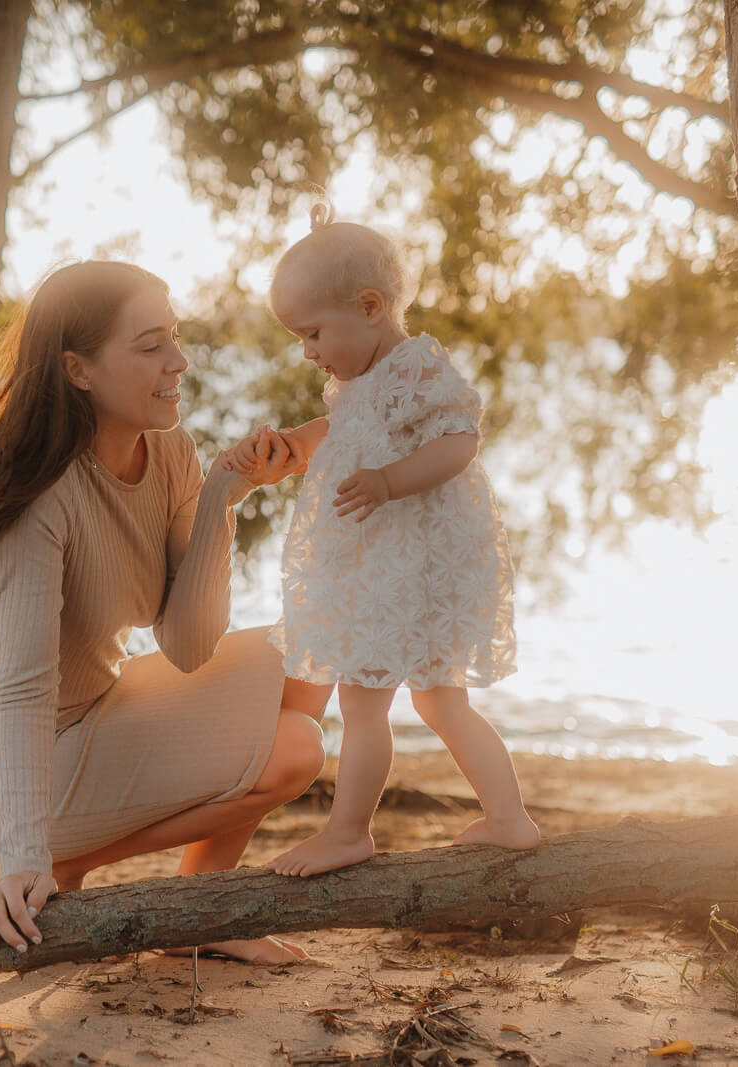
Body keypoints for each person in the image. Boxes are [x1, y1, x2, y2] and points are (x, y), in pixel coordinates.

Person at [0, 260, 327, 962]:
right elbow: (22, 691)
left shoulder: (170, 449)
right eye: (150, 346)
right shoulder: (41, 503)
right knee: (295, 746)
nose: (178, 361)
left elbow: (187, 644)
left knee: (312, 652)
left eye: (175, 338)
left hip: (100, 710)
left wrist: (219, 497)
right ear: (77, 370)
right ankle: (62, 867)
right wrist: (21, 861)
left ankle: (197, 910)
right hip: (5, 771)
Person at [221, 206, 541, 877]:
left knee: (366, 698)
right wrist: (290, 448)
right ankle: (508, 817)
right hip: (389, 568)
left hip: (412, 567)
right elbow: (338, 433)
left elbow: (460, 440)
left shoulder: (416, 366)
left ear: (369, 306)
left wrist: (391, 481)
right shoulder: (359, 382)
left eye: (312, 333)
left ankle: (347, 832)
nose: (307, 351)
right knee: (436, 697)